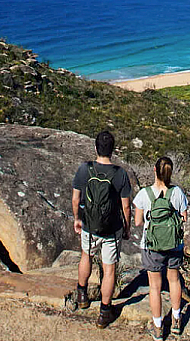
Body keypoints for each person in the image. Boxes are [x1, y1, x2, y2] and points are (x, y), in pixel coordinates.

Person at [72, 130, 132, 329]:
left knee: (86, 256)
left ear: (96, 148)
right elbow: (125, 206)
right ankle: (104, 313)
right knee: (109, 269)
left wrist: (77, 219)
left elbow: (75, 199)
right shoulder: (120, 174)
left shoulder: (84, 169)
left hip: (89, 224)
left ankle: (82, 295)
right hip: (111, 229)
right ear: (112, 150)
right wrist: (126, 228)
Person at [133, 156, 189, 339]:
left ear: (155, 171)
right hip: (174, 244)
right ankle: (176, 320)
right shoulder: (178, 193)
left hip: (152, 246)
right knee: (174, 280)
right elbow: (184, 218)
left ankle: (158, 327)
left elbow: (138, 221)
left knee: (155, 287)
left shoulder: (144, 194)